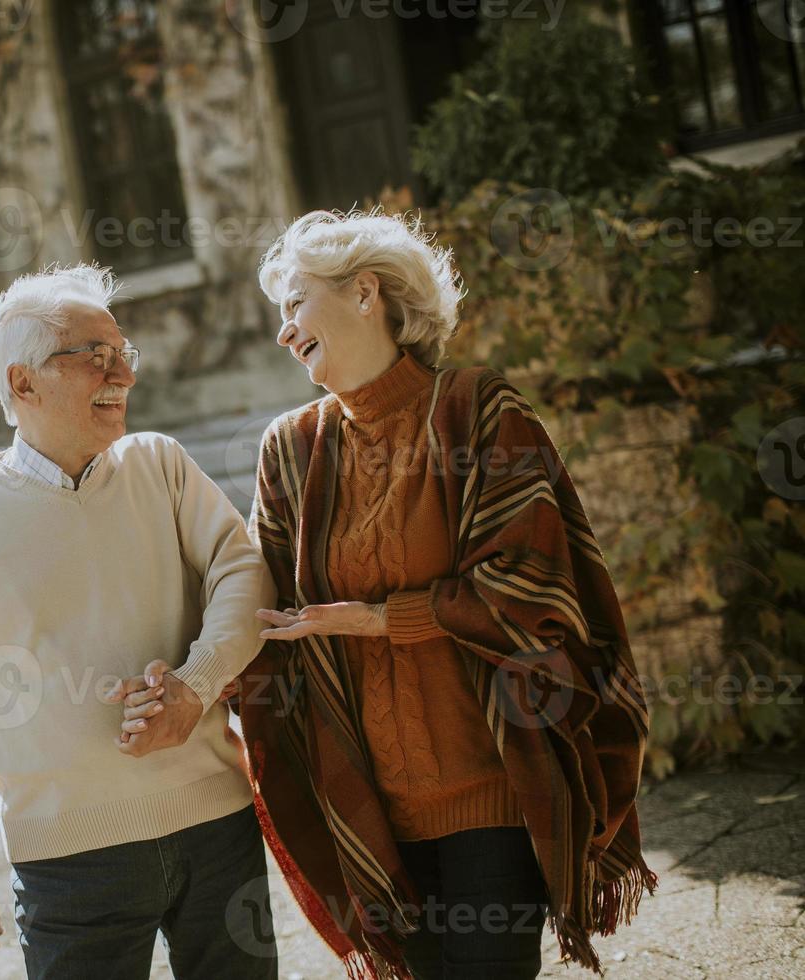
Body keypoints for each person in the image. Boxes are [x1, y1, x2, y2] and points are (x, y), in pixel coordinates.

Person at [128, 210, 655, 979]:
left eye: (295, 304)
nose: (283, 333)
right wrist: (189, 678)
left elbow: (533, 585)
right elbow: (255, 598)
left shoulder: (478, 409)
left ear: (366, 292)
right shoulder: (292, 447)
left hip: (493, 790)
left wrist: (378, 620)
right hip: (367, 809)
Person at [0, 263, 279, 979]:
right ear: (22, 383)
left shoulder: (161, 464)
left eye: (122, 354)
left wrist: (196, 685)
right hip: (68, 862)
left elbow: (243, 568)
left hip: (218, 828)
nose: (121, 376)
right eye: (93, 357)